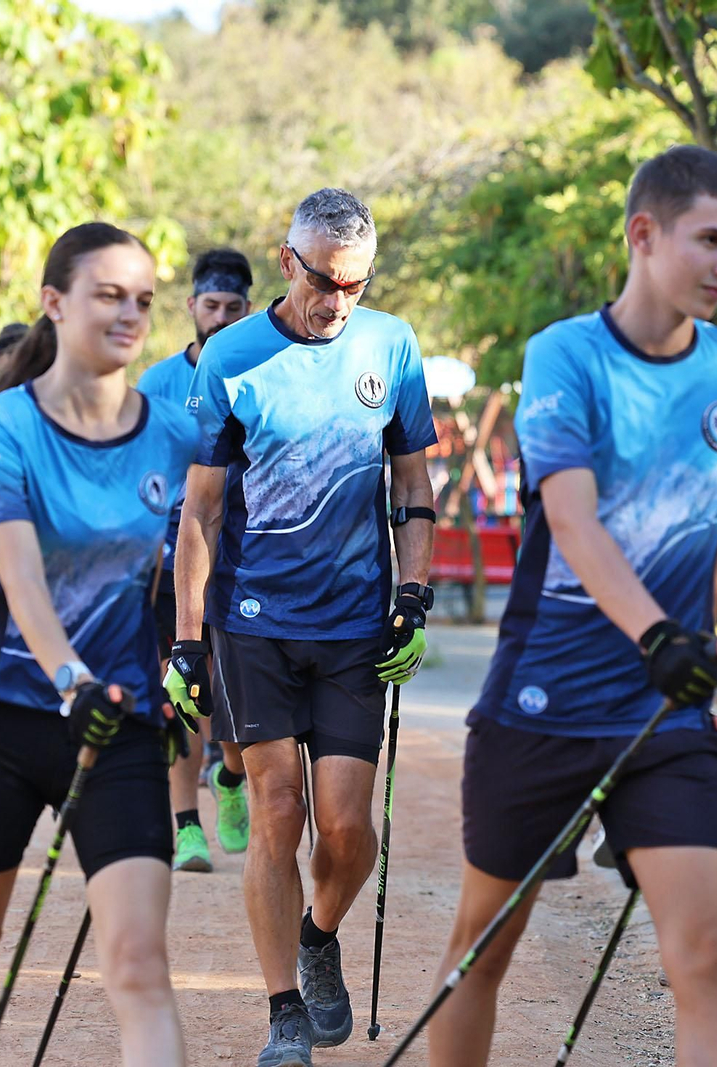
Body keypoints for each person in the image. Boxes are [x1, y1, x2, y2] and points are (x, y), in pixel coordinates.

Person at [427, 144, 717, 1067]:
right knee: (481, 951)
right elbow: (571, 518)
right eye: (710, 240)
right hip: (542, 702)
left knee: (706, 955)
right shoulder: (564, 354)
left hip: (664, 710)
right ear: (643, 234)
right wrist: (657, 630)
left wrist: (699, 625)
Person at [0, 222, 196, 1067]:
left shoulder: (174, 433)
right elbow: (21, 571)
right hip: (2, 722)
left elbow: (215, 526)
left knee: (139, 963)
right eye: (109, 294)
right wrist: (70, 674)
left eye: (143, 299)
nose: (130, 313)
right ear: (54, 302)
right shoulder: (6, 421)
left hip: (123, 729)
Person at [167, 189, 438, 1066]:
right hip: (257, 621)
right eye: (327, 282)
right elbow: (201, 511)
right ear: (289, 263)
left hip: (355, 622)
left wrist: (415, 591)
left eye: (358, 285)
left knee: (349, 832)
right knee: (279, 810)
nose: (340, 301)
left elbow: (412, 487)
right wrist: (187, 638)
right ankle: (284, 1007)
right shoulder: (232, 359)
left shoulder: (390, 346)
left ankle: (319, 933)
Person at [137, 247, 255, 874]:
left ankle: (230, 777)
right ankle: (185, 827)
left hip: (240, 564)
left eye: (233, 308)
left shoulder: (261, 369)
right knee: (179, 692)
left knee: (230, 699)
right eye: (210, 306)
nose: (219, 317)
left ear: (248, 309)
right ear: (191, 307)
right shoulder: (155, 383)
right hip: (164, 564)